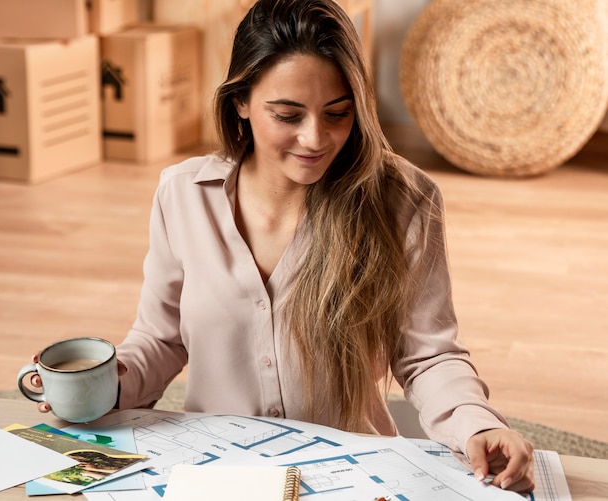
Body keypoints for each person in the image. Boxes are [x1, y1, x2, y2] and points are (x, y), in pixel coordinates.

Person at [32, 0, 534, 493]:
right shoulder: (181, 195)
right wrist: (98, 388)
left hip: (353, 479)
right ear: (241, 103)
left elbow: (427, 356)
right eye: (288, 115)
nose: (316, 138)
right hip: (220, 478)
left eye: (337, 113)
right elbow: (161, 340)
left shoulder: (403, 200)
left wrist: (475, 424)